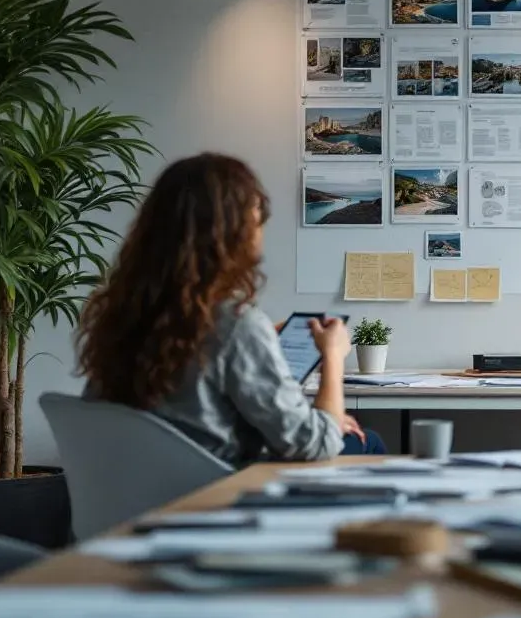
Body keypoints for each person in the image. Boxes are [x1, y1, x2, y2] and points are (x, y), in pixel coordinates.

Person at [75, 153, 385, 465]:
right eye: (257, 216)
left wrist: (260, 341)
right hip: (214, 498)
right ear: (235, 233)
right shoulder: (234, 324)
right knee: (367, 441)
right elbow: (312, 445)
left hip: (141, 497)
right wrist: (332, 356)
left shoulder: (122, 315)